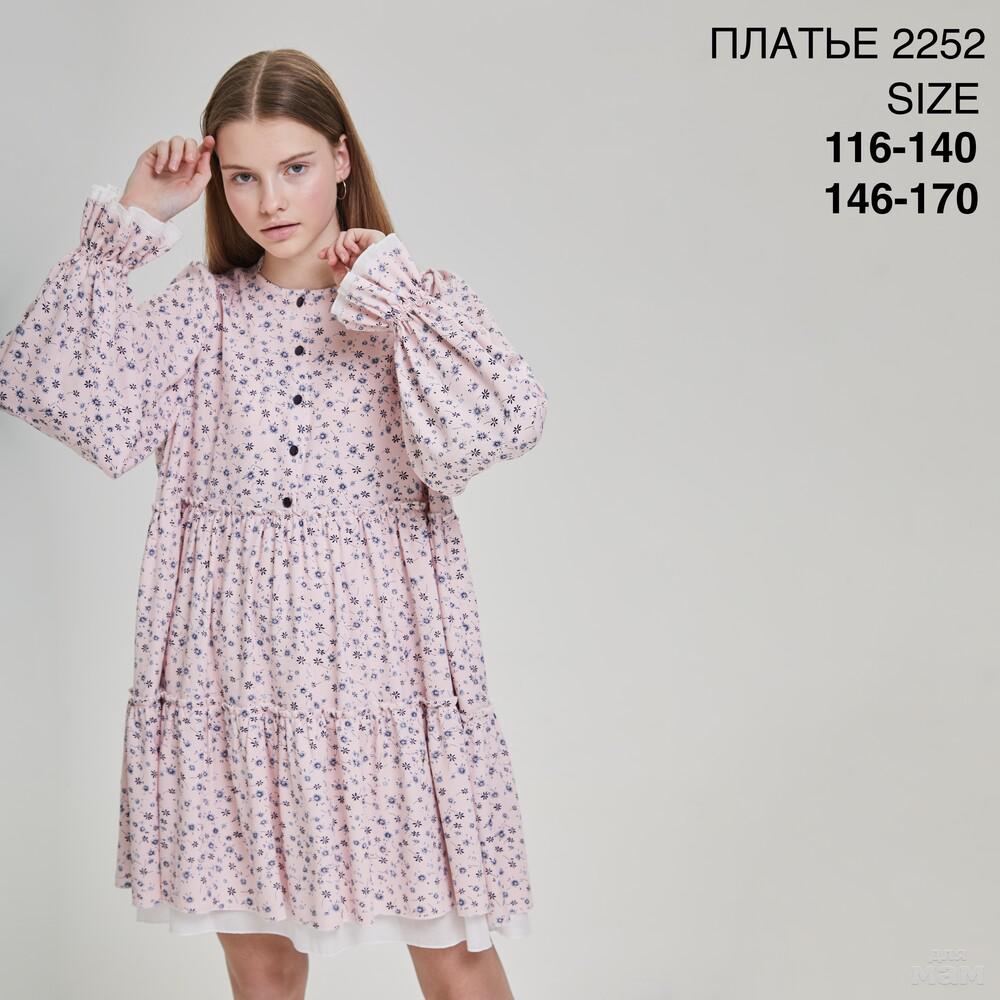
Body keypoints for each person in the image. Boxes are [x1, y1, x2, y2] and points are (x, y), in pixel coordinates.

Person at [0, 48, 547, 1000]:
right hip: (234, 677)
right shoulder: (201, 313)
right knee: (261, 972)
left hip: (387, 679)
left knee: (456, 962)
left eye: (294, 167)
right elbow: (53, 391)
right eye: (244, 177)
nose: (271, 200)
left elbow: (503, 420)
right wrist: (128, 227)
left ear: (341, 158)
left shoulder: (407, 309)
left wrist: (394, 297)